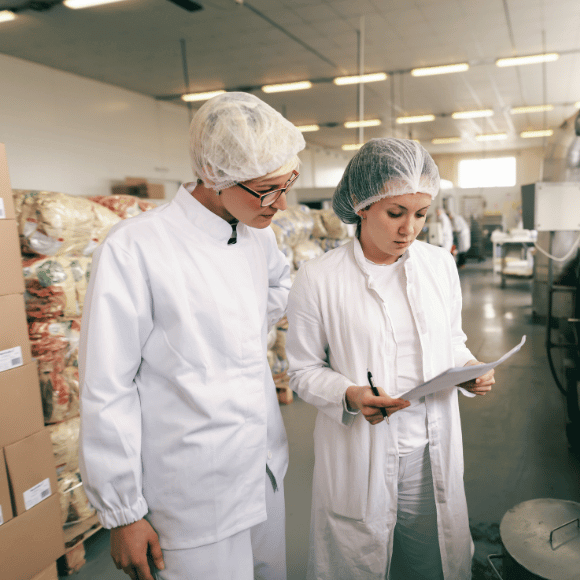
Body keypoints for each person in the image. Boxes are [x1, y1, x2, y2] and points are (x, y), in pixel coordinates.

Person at [78, 92, 305, 580]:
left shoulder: (256, 233)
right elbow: (106, 387)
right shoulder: (135, 249)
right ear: (216, 176)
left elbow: (279, 285)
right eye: (268, 188)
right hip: (192, 493)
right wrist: (123, 514)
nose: (281, 203)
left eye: (287, 183)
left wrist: (238, 325)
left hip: (263, 470)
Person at [285, 138, 495, 580]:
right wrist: (350, 394)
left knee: (429, 563)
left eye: (420, 214)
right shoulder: (319, 278)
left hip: (428, 449)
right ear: (362, 205)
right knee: (358, 562)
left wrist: (468, 369)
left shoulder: (439, 266)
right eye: (395, 213)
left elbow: (451, 339)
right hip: (362, 452)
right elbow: (302, 370)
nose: (410, 229)